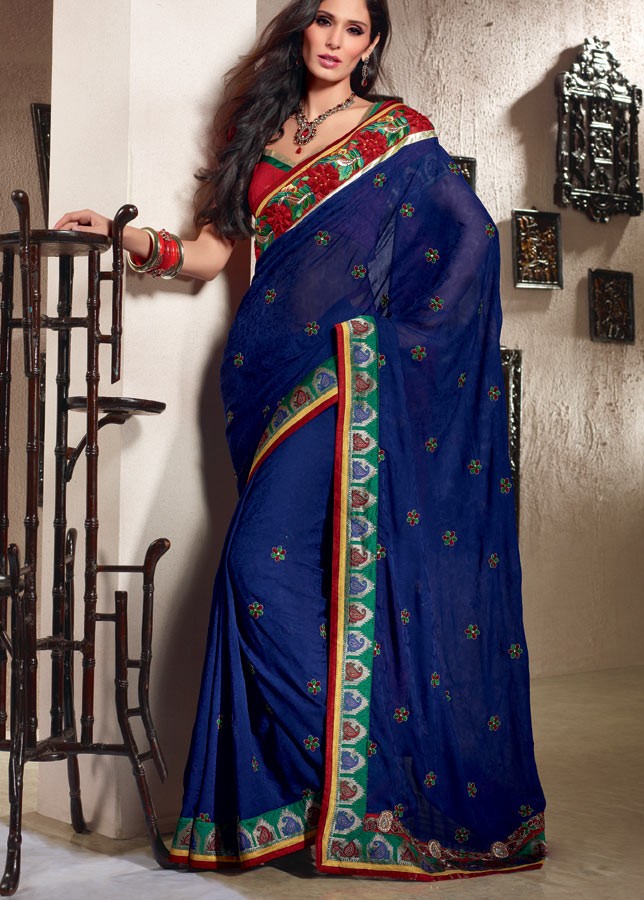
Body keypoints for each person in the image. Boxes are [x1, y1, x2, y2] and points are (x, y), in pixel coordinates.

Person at [55, 0, 546, 882]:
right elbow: (212, 255)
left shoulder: (397, 137)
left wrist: (389, 339)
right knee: (302, 579)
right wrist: (125, 237)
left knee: (256, 565)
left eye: (355, 29)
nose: (336, 40)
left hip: (342, 374)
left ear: (372, 45)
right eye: (324, 21)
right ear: (302, 29)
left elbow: (471, 239)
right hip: (260, 374)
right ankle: (328, 799)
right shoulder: (259, 131)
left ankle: (377, 785)